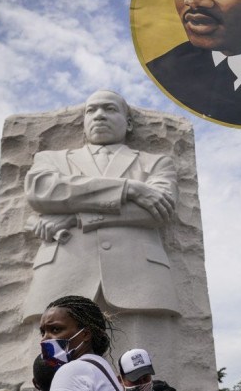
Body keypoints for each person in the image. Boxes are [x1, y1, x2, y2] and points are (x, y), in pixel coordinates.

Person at [23, 90, 180, 365]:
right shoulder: (52, 160)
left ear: (128, 123)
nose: (99, 115)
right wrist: (129, 188)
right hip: (63, 273)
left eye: (109, 109)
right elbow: (42, 191)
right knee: (54, 374)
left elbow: (158, 211)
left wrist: (75, 217)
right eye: (91, 110)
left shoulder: (155, 162)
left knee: (141, 372)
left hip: (139, 280)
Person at [39, 295, 122, 391]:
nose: (44, 339)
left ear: (86, 334)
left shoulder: (72, 371)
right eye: (43, 332)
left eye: (56, 329)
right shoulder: (100, 366)